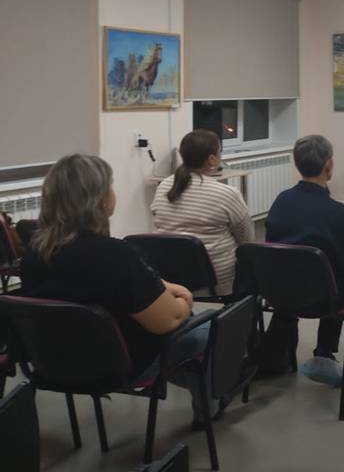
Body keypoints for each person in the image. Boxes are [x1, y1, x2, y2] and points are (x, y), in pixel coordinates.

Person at [20, 154, 214, 425]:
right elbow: (167, 321)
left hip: (55, 364)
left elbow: (87, 285)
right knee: (212, 326)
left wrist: (159, 285)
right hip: (121, 367)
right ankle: (209, 406)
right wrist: (186, 300)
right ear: (99, 200)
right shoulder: (116, 255)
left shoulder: (33, 254)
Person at [264, 135, 344, 379]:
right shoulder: (339, 213)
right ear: (329, 165)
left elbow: (272, 249)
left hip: (282, 294)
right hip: (328, 300)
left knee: (318, 273)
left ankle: (277, 355)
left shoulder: (281, 201)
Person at [151, 130, 253, 295]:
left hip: (172, 272)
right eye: (220, 152)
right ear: (212, 159)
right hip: (216, 278)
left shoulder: (164, 185)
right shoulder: (227, 193)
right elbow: (246, 239)